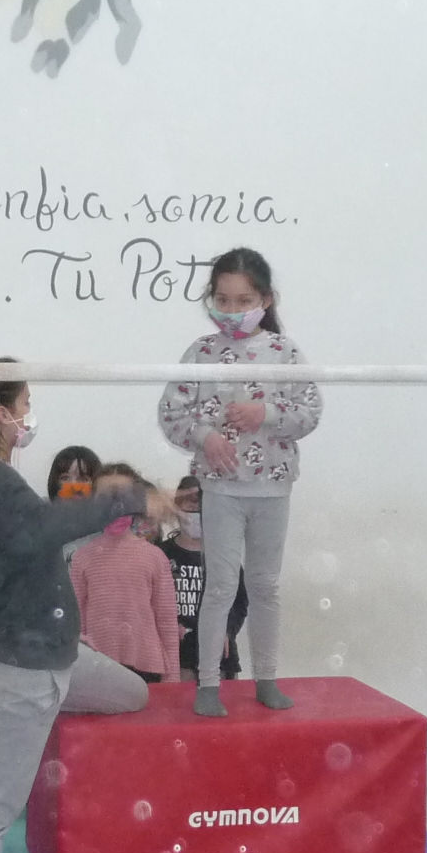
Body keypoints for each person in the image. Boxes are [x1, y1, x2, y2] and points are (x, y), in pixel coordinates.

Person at [0, 365, 174, 853]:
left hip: (59, 659)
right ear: (2, 414)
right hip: (26, 670)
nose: (29, 412)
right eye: (25, 401)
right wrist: (127, 497)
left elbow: (30, 544)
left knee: (134, 694)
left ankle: (19, 709)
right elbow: (43, 529)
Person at [158, 247, 322, 716]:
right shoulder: (201, 353)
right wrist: (205, 436)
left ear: (265, 300)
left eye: (243, 301)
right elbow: (171, 413)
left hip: (272, 488)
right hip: (222, 489)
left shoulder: (285, 353)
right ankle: (208, 683)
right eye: (223, 300)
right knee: (220, 586)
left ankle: (266, 678)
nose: (231, 310)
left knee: (266, 585)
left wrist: (265, 413)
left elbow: (310, 411)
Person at [69, 463, 182, 683]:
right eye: (105, 497)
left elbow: (167, 622)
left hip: (147, 668)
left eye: (123, 496)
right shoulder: (82, 558)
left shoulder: (155, 557)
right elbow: (76, 623)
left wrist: (172, 677)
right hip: (97, 669)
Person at [162, 474, 247, 682]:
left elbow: (240, 602)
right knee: (178, 698)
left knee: (222, 699)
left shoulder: (224, 556)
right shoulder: (161, 554)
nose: (195, 513)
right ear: (175, 509)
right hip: (174, 651)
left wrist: (227, 629)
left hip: (219, 652)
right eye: (189, 506)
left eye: (202, 506)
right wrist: (166, 627)